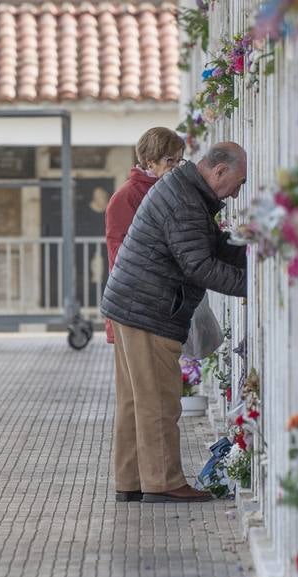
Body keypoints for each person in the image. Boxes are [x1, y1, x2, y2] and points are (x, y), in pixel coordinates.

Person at [99, 142, 249, 503]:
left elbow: (209, 246)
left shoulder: (185, 190)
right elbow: (198, 264)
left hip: (130, 305)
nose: (239, 191)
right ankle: (163, 481)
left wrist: (249, 253)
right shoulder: (185, 200)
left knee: (135, 402)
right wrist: (253, 283)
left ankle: (131, 480)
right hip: (148, 310)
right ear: (219, 172)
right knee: (158, 402)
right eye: (239, 182)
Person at [103, 127, 186, 344]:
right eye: (170, 161)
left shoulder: (168, 189)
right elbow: (120, 256)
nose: (176, 168)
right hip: (135, 306)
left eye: (180, 161)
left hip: (160, 301)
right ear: (150, 162)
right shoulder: (127, 196)